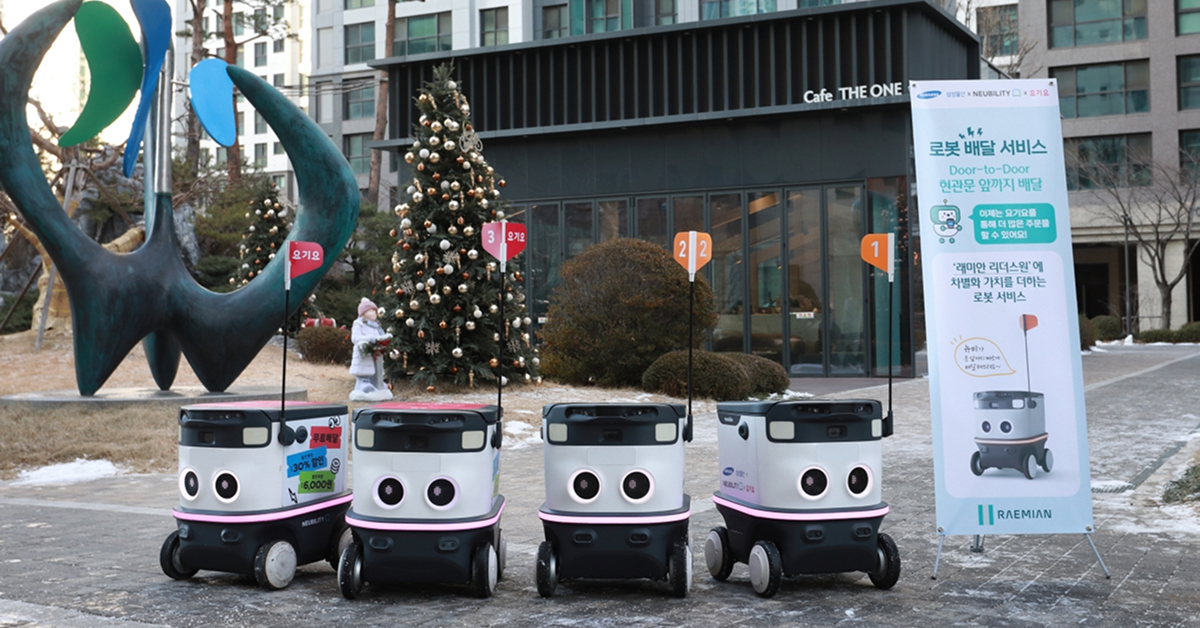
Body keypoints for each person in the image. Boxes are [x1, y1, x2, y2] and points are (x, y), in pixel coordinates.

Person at [349, 298, 393, 401]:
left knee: (377, 371)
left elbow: (381, 336)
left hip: (376, 353)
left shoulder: (376, 326)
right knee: (364, 371)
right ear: (363, 312)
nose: (374, 313)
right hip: (364, 353)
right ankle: (363, 386)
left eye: (375, 311)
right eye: (371, 310)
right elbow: (355, 338)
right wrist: (371, 339)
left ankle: (377, 384)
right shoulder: (359, 324)